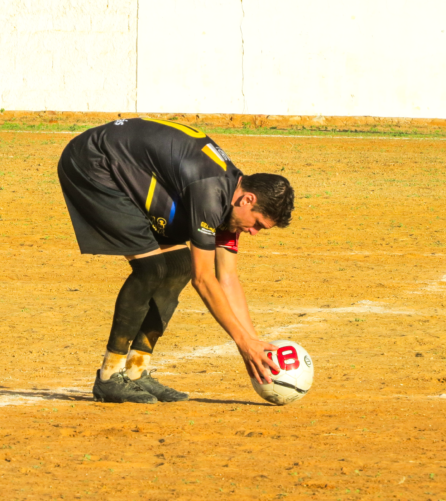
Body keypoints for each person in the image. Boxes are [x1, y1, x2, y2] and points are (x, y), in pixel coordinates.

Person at [57, 117, 295, 403]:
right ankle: (109, 376)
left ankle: (136, 370)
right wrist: (243, 344)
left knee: (180, 265)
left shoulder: (230, 197)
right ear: (248, 200)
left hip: (124, 161)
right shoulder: (211, 192)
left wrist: (253, 343)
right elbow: (204, 279)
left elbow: (228, 277)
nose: (254, 232)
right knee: (152, 268)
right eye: (257, 223)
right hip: (92, 162)